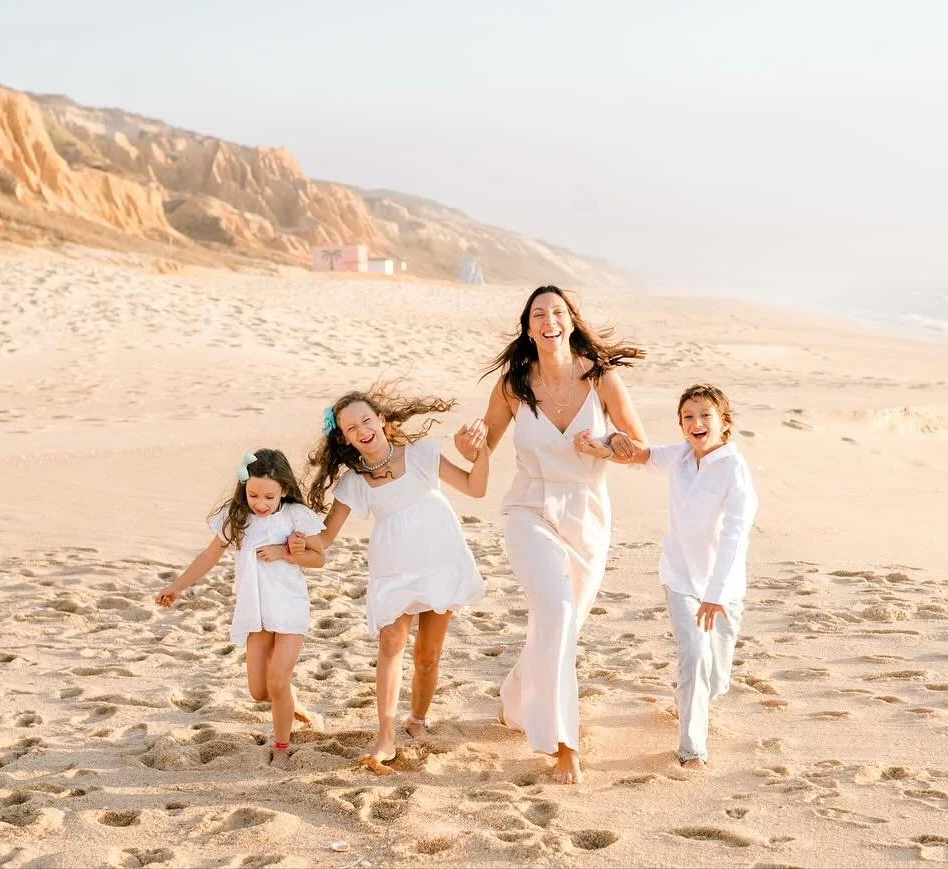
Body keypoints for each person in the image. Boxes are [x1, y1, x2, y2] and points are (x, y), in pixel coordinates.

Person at [460, 284, 647, 784]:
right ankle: (562, 742)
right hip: (530, 510)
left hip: (587, 514)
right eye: (538, 313)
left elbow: (638, 447)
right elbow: (484, 447)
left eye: (557, 311)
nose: (549, 319)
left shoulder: (601, 379)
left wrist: (608, 446)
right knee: (557, 612)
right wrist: (469, 442)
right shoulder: (511, 385)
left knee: (560, 625)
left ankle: (514, 699)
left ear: (570, 321)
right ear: (528, 327)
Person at [302, 386, 490, 768]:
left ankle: (417, 719)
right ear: (345, 438)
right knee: (391, 641)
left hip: (440, 558)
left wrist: (481, 452)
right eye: (351, 428)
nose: (362, 430)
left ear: (382, 421)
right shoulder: (353, 483)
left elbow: (475, 487)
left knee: (428, 654)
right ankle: (385, 734)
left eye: (366, 420)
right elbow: (325, 537)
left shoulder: (421, 454)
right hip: (393, 566)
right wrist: (290, 542)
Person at [580, 383, 757, 767]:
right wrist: (607, 440)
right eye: (688, 417)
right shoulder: (678, 456)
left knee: (716, 678)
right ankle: (692, 748)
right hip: (679, 577)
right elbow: (641, 455)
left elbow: (734, 537)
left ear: (723, 423)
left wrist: (715, 593)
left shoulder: (734, 471)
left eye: (705, 416)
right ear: (680, 424)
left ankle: (693, 699)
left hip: (722, 587)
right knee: (692, 657)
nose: (696, 423)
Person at [156, 448, 325, 769]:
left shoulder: (294, 517)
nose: (260, 503)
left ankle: (281, 748)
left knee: (277, 682)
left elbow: (319, 558)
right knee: (260, 692)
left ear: (284, 491)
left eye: (269, 497)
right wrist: (176, 586)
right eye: (253, 495)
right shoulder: (237, 520)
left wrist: (283, 552)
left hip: (289, 608)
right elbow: (208, 557)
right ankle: (289, 701)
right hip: (255, 612)